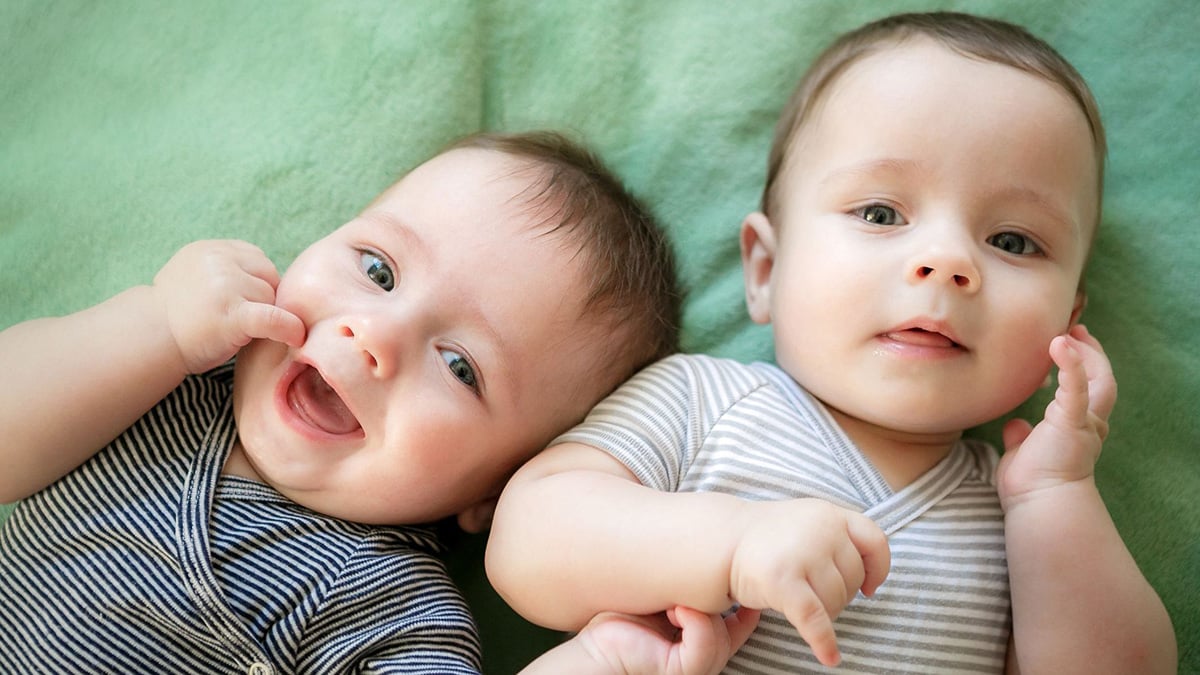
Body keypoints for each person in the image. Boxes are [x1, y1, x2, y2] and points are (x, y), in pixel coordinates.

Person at [486, 12, 1176, 674]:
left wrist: (1055, 496)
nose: (946, 260)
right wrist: (730, 545)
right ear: (765, 269)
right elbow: (528, 541)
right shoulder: (703, 398)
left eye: (1013, 241)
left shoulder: (1016, 513)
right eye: (881, 212)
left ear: (1070, 321)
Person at [0, 129, 744, 674]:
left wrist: (602, 662)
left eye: (459, 366)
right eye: (379, 270)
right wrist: (155, 322)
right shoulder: (161, 385)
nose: (375, 336)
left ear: (495, 490)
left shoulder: (395, 612)